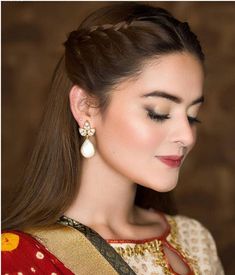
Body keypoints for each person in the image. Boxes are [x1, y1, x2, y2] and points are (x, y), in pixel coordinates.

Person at [2, 2, 224, 274]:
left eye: (192, 116)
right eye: (159, 113)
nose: (187, 136)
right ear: (86, 106)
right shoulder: (19, 259)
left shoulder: (195, 240)